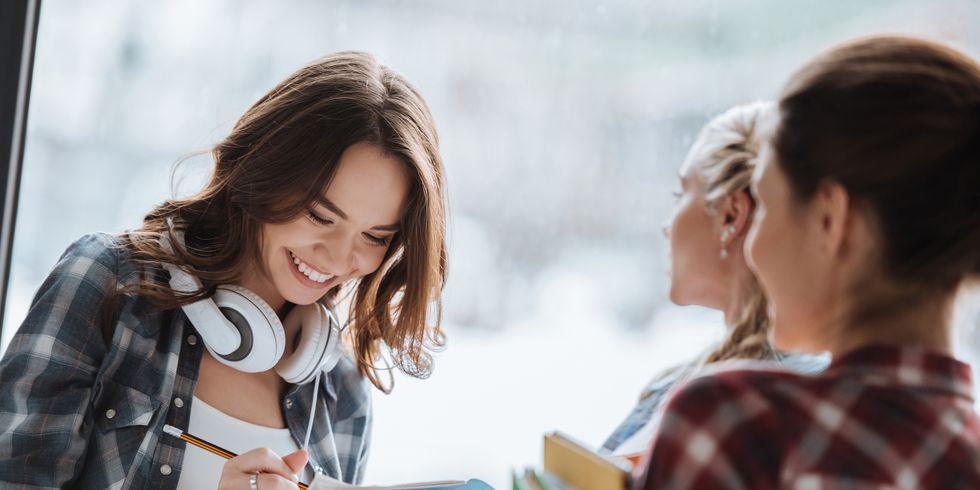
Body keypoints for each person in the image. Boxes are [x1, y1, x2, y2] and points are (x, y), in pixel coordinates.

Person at [0, 51, 448, 490]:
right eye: (319, 216)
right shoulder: (107, 285)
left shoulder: (342, 395)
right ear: (263, 172)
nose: (334, 258)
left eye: (375, 237)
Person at [637, 36, 980, 488]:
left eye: (765, 204)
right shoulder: (962, 454)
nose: (753, 249)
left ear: (829, 219)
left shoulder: (736, 423)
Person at [601, 102, 828, 460]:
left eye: (680, 195)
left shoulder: (778, 401)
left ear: (731, 216)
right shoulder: (680, 385)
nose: (667, 225)